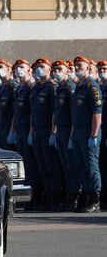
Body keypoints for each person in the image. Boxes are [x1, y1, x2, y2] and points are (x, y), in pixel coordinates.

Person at [29, 58, 62, 210]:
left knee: (51, 166)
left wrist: (53, 132)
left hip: (47, 131)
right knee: (41, 166)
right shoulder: (35, 88)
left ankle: (54, 198)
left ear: (49, 70)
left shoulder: (52, 87)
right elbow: (32, 112)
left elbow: (55, 111)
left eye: (42, 66)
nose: (39, 69)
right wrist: (31, 131)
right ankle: (45, 196)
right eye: (37, 67)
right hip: (36, 131)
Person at [70, 56, 102, 213]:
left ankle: (95, 199)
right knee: (80, 166)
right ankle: (86, 197)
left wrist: (94, 136)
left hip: (88, 132)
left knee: (91, 167)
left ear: (88, 68)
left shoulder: (92, 87)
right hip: (77, 132)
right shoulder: (79, 86)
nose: (77, 69)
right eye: (76, 66)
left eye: (80, 66)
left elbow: (97, 113)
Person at [13, 59, 43, 210]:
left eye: (22, 67)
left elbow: (32, 112)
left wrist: (30, 131)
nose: (19, 70)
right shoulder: (20, 88)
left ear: (29, 70)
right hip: (20, 130)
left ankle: (37, 196)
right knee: (24, 165)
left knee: (32, 165)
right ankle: (30, 197)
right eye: (17, 67)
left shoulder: (31, 87)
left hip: (29, 130)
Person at [52, 60, 78, 210]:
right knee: (64, 166)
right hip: (60, 130)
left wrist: (71, 136)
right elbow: (56, 112)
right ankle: (67, 196)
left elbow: (74, 114)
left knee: (71, 165)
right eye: (55, 69)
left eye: (59, 69)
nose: (57, 72)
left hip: (69, 130)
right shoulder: (60, 88)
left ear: (67, 71)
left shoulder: (70, 88)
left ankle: (74, 197)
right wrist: (54, 131)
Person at [0, 59, 16, 150]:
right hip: (0, 127)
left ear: (9, 70)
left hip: (8, 128)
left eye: (0, 67)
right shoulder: (0, 87)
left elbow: (15, 111)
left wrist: (12, 131)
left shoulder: (13, 85)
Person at [98, 60, 107, 210]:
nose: (102, 71)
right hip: (102, 131)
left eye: (105, 68)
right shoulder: (100, 88)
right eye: (100, 69)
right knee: (103, 166)